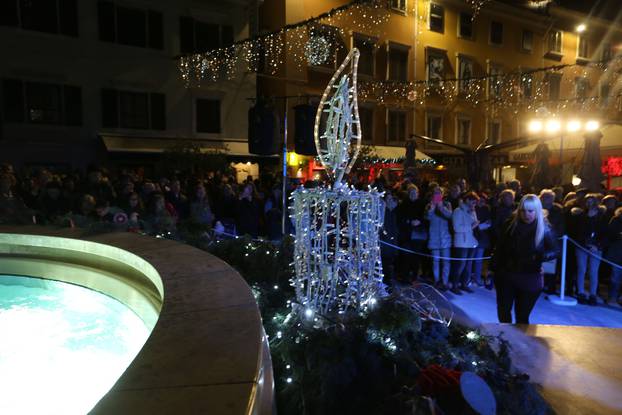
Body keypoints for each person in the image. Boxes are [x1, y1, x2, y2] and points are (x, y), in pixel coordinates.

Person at [492, 194, 557, 324]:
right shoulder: (510, 225)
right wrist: (492, 268)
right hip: (507, 274)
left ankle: (520, 343)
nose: (526, 214)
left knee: (522, 316)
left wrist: (538, 256)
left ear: (537, 210)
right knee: (503, 312)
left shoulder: (545, 228)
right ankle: (506, 340)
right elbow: (499, 247)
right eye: (523, 210)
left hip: (530, 277)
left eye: (530, 211)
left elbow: (555, 250)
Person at [568, 193, 608, 305]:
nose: (589, 203)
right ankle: (580, 292)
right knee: (581, 269)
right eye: (587, 201)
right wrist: (584, 243)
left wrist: (597, 245)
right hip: (582, 246)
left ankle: (592, 294)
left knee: (593, 272)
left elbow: (605, 234)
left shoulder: (602, 216)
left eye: (591, 201)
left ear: (596, 202)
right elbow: (577, 231)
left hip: (596, 247)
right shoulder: (581, 215)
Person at [450, 192, 479, 294]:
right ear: (467, 200)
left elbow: (475, 222)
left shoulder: (471, 211)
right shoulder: (458, 211)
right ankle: (454, 285)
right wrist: (472, 226)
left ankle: (464, 284)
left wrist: (473, 213)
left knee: (468, 265)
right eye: (473, 202)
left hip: (470, 241)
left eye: (475, 203)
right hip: (461, 242)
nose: (474, 204)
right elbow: (457, 228)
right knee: (460, 264)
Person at [425, 186, 452, 291]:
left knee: (446, 262)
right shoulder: (429, 205)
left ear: (442, 194)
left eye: (439, 193)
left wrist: (441, 207)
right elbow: (427, 218)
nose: (437, 195)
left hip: (445, 238)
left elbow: (450, 216)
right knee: (435, 261)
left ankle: (444, 282)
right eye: (435, 193)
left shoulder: (447, 204)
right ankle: (436, 281)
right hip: (434, 238)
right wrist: (432, 209)